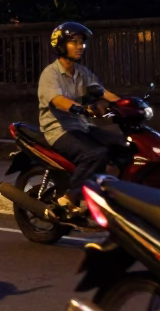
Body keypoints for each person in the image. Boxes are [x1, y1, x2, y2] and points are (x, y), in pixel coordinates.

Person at [37, 21, 127, 220]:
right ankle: (69, 197)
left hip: (83, 127)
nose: (80, 46)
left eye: (81, 42)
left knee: (123, 146)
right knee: (95, 154)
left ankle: (105, 196)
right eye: (74, 42)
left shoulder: (82, 72)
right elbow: (57, 100)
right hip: (59, 130)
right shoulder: (50, 74)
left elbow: (102, 92)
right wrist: (79, 108)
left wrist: (126, 104)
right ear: (61, 45)